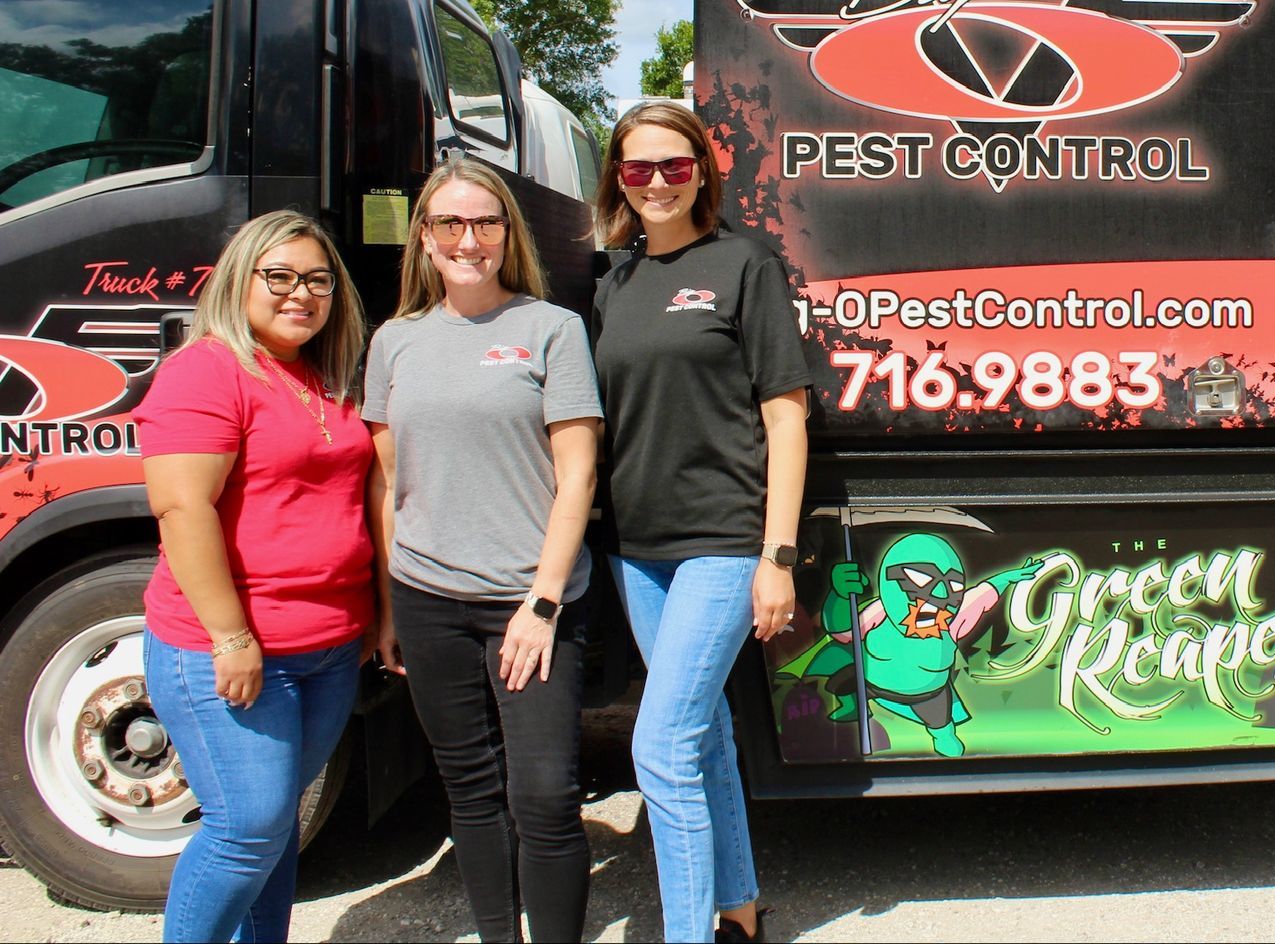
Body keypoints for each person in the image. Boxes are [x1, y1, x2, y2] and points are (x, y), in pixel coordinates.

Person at [362, 157, 602, 944]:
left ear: (507, 233)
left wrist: (542, 601)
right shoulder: (393, 342)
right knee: (469, 790)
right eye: (451, 224)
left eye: (485, 223)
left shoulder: (552, 329)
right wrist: (390, 605)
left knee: (543, 794)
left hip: (529, 603)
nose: (470, 239)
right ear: (424, 238)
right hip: (428, 601)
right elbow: (389, 479)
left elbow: (577, 477)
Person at [590, 101, 812, 944]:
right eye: (638, 167)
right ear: (618, 176)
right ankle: (740, 909)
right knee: (705, 732)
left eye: (673, 166)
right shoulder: (614, 283)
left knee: (661, 745)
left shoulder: (743, 265)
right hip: (637, 549)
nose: (655, 182)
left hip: (723, 541)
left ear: (701, 175)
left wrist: (777, 557)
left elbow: (785, 419)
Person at [136, 210, 374, 944]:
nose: (299, 293)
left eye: (317, 280)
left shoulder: (315, 375)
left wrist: (363, 619)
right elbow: (181, 508)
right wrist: (230, 634)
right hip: (236, 654)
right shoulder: (207, 371)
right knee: (246, 831)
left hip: (328, 650)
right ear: (240, 281)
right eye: (279, 276)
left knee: (274, 833)